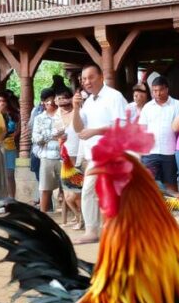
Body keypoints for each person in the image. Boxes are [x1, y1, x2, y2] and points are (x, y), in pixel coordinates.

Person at [70, 64, 128, 244]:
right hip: (95, 155)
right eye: (84, 79)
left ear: (101, 77)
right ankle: (92, 231)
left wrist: (95, 131)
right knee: (88, 190)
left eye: (91, 77)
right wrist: (76, 108)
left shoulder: (114, 97)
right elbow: (79, 129)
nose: (87, 82)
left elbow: (123, 126)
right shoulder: (87, 102)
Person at [139, 76, 179, 192]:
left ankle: (170, 209)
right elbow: (142, 129)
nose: (157, 94)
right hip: (150, 153)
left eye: (160, 90)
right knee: (149, 184)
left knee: (171, 185)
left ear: (167, 89)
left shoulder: (178, 105)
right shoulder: (147, 107)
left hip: (169, 152)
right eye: (154, 91)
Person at [31, 88, 64, 213]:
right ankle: (43, 215)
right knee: (44, 188)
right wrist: (53, 135)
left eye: (53, 99)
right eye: (48, 100)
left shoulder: (63, 115)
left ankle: (73, 217)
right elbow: (36, 139)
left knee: (69, 187)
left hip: (64, 156)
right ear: (43, 102)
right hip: (46, 157)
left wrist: (52, 136)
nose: (52, 102)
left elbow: (67, 134)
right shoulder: (39, 118)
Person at [55, 87, 82, 226]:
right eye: (59, 99)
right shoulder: (57, 115)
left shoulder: (79, 112)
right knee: (67, 194)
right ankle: (78, 217)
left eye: (65, 98)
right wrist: (58, 137)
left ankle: (81, 219)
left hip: (77, 156)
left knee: (76, 193)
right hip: (64, 157)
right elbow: (54, 135)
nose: (62, 102)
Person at [0, 94, 20, 201]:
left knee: (10, 175)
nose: (0, 103)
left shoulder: (13, 115)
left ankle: (12, 199)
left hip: (10, 146)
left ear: (7, 103)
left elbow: (18, 129)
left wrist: (14, 134)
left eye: (3, 101)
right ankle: (1, 199)